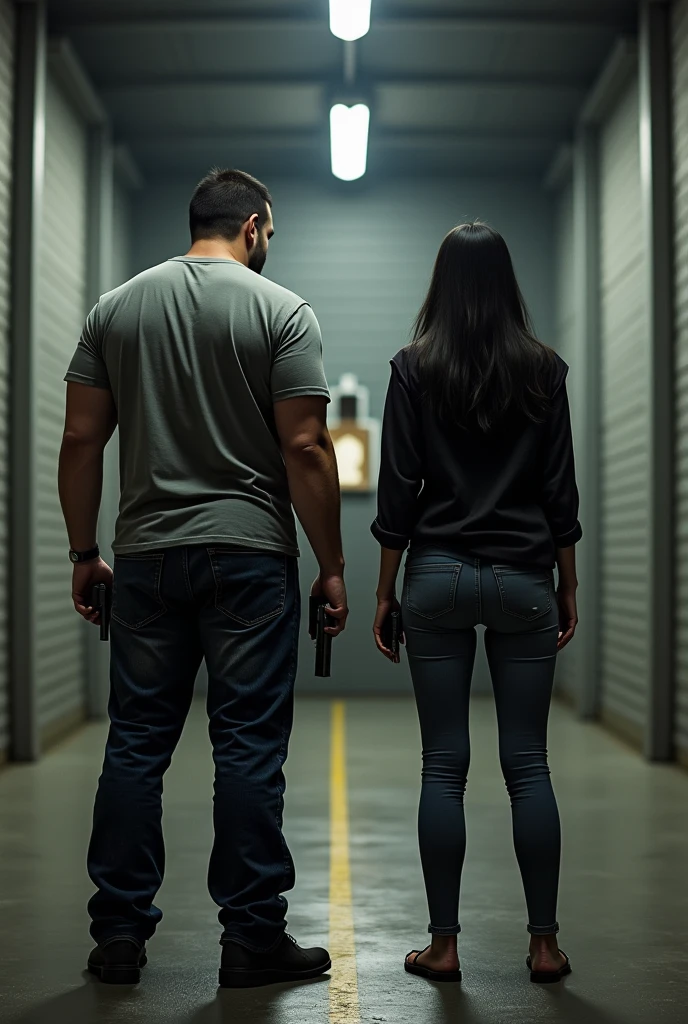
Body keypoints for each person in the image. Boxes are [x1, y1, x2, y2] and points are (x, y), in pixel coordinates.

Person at [58, 168, 348, 988]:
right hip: (251, 558)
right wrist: (331, 564)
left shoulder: (115, 309)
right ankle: (251, 938)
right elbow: (305, 448)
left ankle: (118, 935)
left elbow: (82, 440)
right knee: (248, 747)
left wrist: (86, 551)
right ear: (254, 228)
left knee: (137, 743)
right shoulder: (282, 310)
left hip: (146, 556)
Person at [371, 223, 580, 986]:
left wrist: (386, 587)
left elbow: (399, 488)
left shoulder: (413, 367)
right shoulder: (544, 369)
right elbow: (561, 491)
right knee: (528, 765)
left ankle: (445, 946)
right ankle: (546, 945)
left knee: (442, 765)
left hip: (439, 575)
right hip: (526, 575)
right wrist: (570, 581)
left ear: (442, 283)